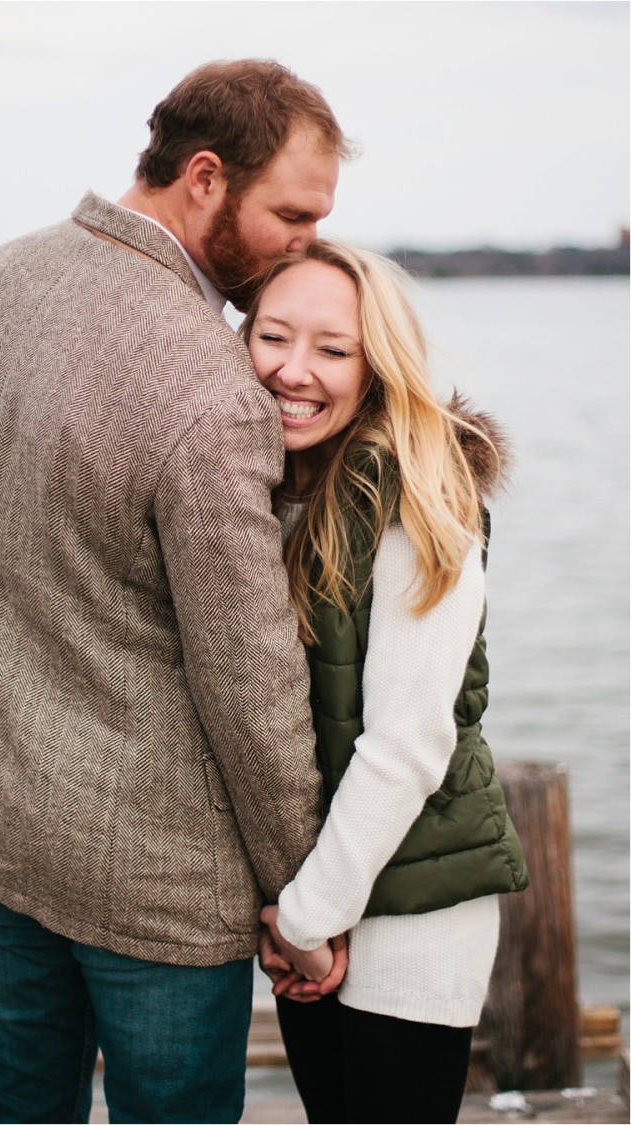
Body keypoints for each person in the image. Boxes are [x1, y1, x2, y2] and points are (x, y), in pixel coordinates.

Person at [0, 59, 352, 1122]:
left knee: (12, 1107)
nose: (305, 243)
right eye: (291, 215)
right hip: (150, 880)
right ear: (205, 178)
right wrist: (305, 894)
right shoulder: (211, 390)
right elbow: (249, 679)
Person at [244, 241, 530, 1124]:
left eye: (333, 349)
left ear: (377, 365)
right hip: (319, 903)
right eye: (271, 337)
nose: (295, 370)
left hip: (410, 913)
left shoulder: (417, 489)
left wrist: (303, 918)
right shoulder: (277, 487)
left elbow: (408, 743)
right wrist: (305, 911)